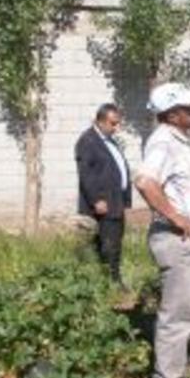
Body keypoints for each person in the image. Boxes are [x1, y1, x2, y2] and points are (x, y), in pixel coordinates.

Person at [134, 82, 190, 378]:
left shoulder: (178, 140)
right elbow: (145, 182)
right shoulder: (164, 141)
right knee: (178, 309)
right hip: (177, 238)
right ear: (171, 114)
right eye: (187, 106)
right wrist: (176, 217)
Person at [75, 103, 132, 289]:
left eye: (118, 123)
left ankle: (110, 279)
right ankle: (111, 282)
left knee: (114, 240)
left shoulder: (109, 139)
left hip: (115, 201)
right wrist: (96, 200)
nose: (116, 128)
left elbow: (114, 168)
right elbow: (86, 175)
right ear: (100, 121)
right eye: (113, 123)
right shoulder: (88, 141)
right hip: (103, 203)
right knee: (108, 244)